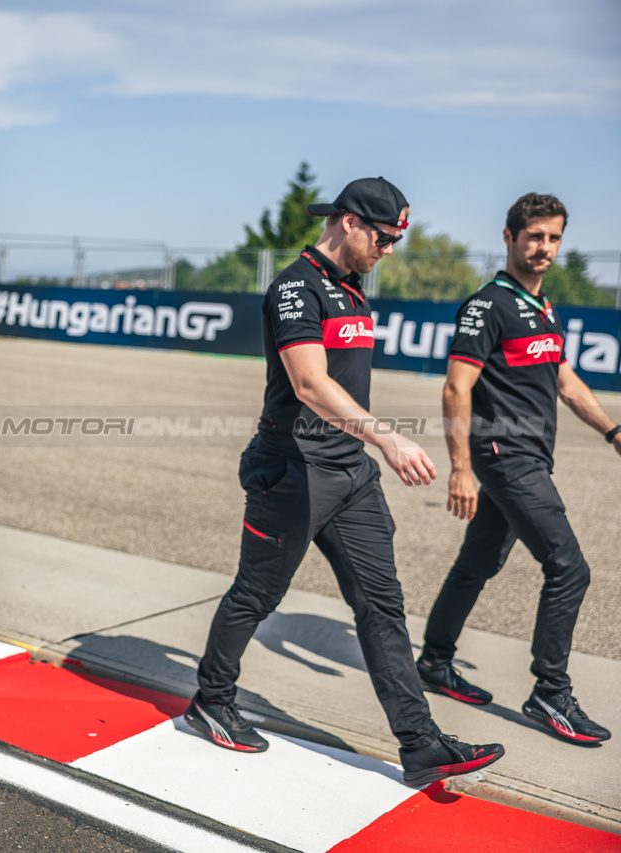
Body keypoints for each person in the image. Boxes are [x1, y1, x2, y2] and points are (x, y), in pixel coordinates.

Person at [183, 177, 505, 786]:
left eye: (396, 240)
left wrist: (366, 447)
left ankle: (421, 744)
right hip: (292, 468)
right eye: (384, 237)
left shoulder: (353, 289)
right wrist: (386, 437)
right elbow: (308, 384)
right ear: (350, 222)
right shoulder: (294, 289)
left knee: (382, 606)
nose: (389, 250)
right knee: (257, 595)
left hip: (350, 473)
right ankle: (211, 700)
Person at [418, 193, 616, 745]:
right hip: (506, 455)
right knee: (569, 568)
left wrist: (612, 430)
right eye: (534, 236)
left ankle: (434, 660)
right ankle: (550, 692)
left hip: (528, 456)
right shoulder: (488, 305)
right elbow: (457, 386)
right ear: (509, 237)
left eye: (553, 238)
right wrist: (460, 467)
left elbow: (566, 381)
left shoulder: (545, 309)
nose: (544, 247)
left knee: (477, 563)